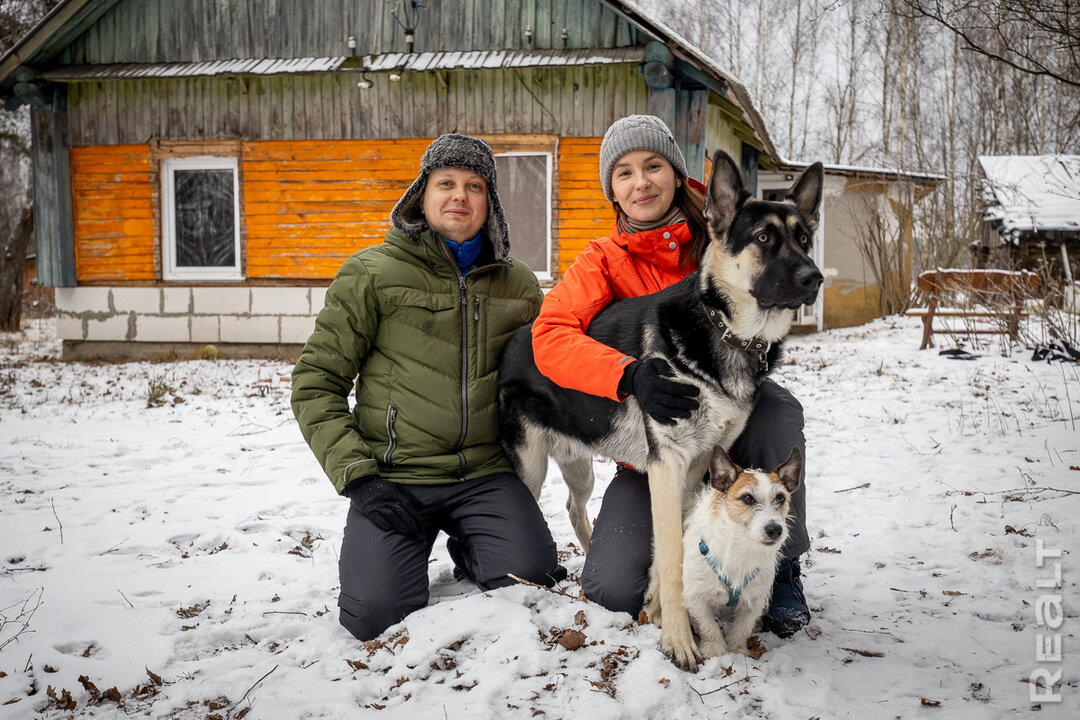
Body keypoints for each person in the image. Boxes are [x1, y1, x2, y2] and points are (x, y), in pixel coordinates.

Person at [531, 115, 811, 638]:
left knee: (776, 410)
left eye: (654, 165)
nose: (641, 182)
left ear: (677, 175)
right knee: (613, 588)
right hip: (656, 445)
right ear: (611, 190)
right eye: (624, 172)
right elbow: (549, 335)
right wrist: (628, 374)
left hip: (733, 425)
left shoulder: (729, 229)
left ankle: (783, 563)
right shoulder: (602, 261)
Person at [291, 133, 566, 641]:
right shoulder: (371, 274)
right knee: (374, 617)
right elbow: (315, 385)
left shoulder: (519, 285)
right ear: (422, 194)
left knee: (533, 582)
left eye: (474, 185)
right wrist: (358, 477)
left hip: (486, 474)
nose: (460, 195)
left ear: (491, 203)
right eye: (446, 183)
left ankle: (472, 539)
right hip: (396, 478)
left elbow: (549, 370)